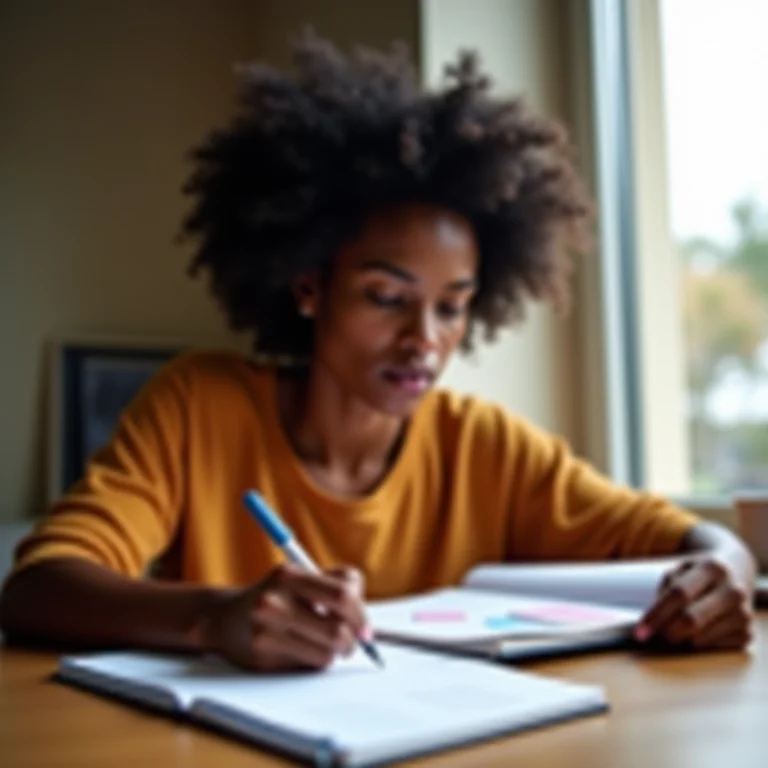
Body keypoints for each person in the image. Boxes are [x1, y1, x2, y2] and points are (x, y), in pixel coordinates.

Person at [0, 34, 754, 671]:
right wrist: (216, 617)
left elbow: (681, 537)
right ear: (308, 287)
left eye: (453, 307)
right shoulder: (200, 405)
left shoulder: (482, 446)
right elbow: (37, 588)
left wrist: (728, 568)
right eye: (387, 298)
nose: (425, 339)